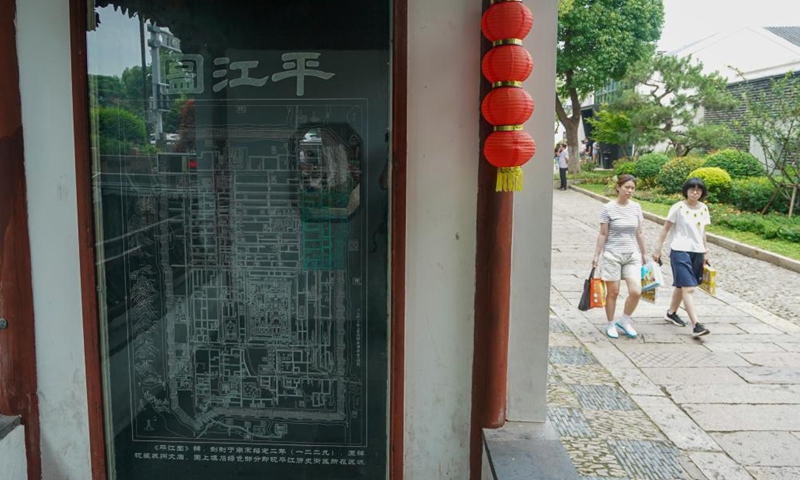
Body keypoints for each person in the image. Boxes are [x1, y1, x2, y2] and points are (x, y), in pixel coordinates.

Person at [652, 178, 711, 337]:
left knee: (681, 285)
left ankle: (671, 313)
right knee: (688, 287)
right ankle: (696, 325)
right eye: (692, 189)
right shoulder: (678, 207)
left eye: (698, 190)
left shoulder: (704, 208)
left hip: (697, 252)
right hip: (679, 251)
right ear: (686, 190)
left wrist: (705, 252)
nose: (695, 192)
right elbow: (665, 229)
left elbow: (703, 232)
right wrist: (657, 250)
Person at [592, 174, 647, 338]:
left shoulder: (636, 207)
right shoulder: (608, 208)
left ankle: (624, 320)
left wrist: (644, 253)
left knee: (636, 291)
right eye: (627, 187)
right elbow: (603, 233)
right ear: (618, 187)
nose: (630, 191)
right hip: (612, 254)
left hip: (631, 254)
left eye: (632, 188)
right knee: (613, 292)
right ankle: (610, 323)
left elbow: (639, 232)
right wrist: (596, 254)